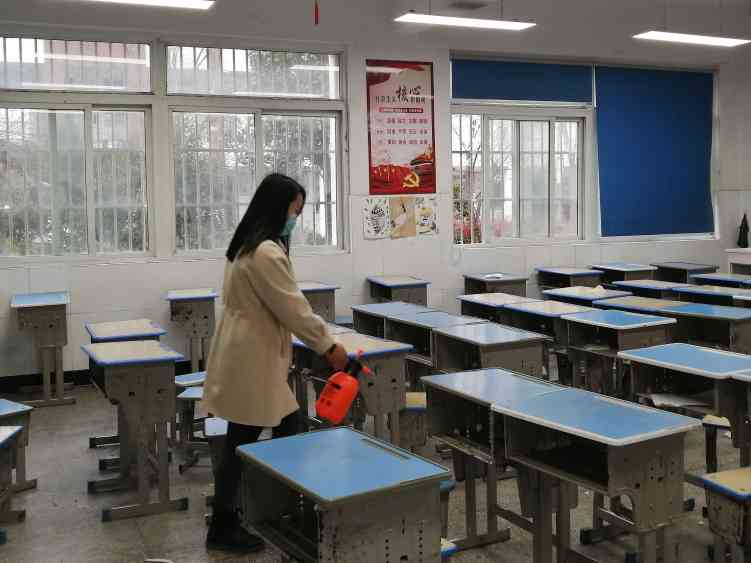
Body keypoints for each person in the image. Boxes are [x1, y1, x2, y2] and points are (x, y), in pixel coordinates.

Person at [203, 173, 348, 553]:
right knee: (248, 439)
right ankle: (235, 521)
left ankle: (278, 510)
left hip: (247, 354)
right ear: (276, 207)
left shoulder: (245, 246)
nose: (294, 219)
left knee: (281, 426)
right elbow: (293, 309)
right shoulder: (265, 253)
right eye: (293, 211)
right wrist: (329, 346)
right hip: (252, 360)